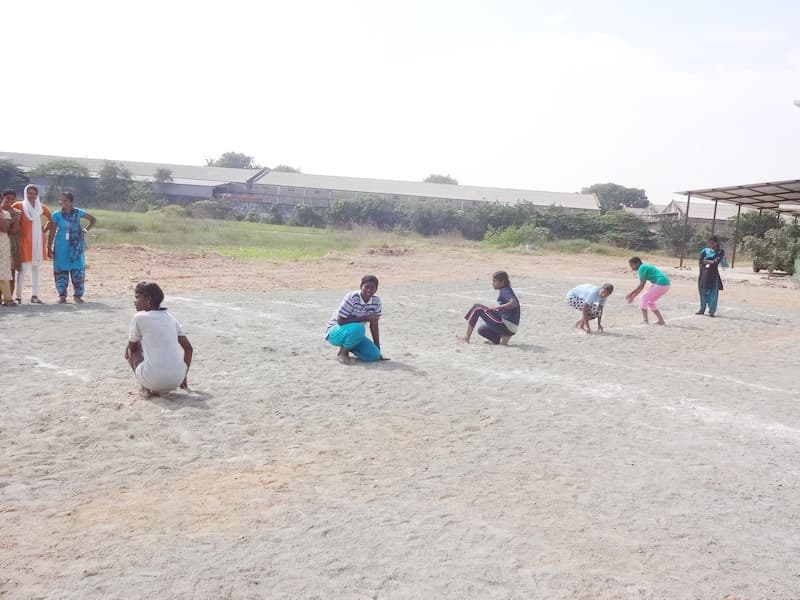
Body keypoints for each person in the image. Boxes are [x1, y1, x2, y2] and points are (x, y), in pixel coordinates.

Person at [125, 282, 193, 397]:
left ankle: (144, 386)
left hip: (153, 379)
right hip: (176, 380)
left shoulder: (139, 317)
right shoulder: (171, 318)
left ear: (148, 299)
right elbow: (189, 349)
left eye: (137, 297)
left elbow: (132, 348)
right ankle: (171, 379)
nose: (135, 301)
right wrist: (183, 376)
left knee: (129, 350)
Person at [47, 192, 97, 304]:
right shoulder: (57, 214)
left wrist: (85, 230)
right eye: (60, 200)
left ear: (70, 202)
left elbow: (93, 220)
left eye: (64, 200)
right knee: (61, 269)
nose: (61, 202)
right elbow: (52, 232)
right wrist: (48, 247)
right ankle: (62, 295)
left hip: (76, 246)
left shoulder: (78, 212)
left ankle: (78, 295)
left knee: (78, 269)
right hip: (61, 245)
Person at [325, 274, 383, 363]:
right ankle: (343, 353)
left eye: (372, 288)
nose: (369, 290)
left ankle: (348, 346)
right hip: (335, 332)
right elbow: (340, 321)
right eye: (366, 287)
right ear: (361, 286)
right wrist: (364, 318)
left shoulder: (376, 301)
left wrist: (378, 348)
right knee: (359, 328)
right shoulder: (352, 297)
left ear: (376, 289)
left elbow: (374, 324)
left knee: (374, 355)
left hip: (354, 333)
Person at [12, 184, 51, 304]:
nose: (32, 195)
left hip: (38, 242)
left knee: (35, 269)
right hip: (24, 241)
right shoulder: (19, 205)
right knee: (23, 270)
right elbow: (8, 212)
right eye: (30, 193)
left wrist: (44, 230)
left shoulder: (41, 207)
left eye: (34, 193)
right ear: (25, 193)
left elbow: (51, 218)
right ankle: (18, 296)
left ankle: (35, 295)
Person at [463, 271, 520, 344]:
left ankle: (466, 338)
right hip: (511, 328)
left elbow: (514, 303)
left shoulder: (505, 291)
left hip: (506, 326)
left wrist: (498, 307)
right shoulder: (507, 289)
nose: (493, 283)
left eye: (495, 281)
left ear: (502, 282)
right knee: (482, 330)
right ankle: (499, 339)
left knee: (477, 308)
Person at [625, 257, 670, 325]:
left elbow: (641, 285)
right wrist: (633, 296)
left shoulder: (641, 268)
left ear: (637, 263)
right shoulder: (644, 266)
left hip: (661, 283)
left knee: (643, 298)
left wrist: (631, 294)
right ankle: (661, 320)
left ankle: (645, 320)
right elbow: (641, 286)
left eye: (632, 265)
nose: (631, 268)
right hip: (666, 284)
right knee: (650, 301)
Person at [1, 190, 21, 300]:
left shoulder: (16, 212)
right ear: (3, 198)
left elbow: (13, 231)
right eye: (7, 198)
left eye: (12, 199)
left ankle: (8, 297)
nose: (9, 201)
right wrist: (11, 221)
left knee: (10, 271)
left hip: (11, 244)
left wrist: (13, 221)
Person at [697, 236, 725, 317]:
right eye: (710, 243)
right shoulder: (705, 251)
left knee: (713, 293)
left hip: (713, 274)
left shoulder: (720, 252)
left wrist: (706, 261)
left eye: (713, 243)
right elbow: (700, 261)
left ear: (716, 243)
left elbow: (716, 262)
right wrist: (709, 261)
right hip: (704, 274)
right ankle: (702, 309)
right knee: (702, 291)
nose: (711, 244)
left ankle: (712, 310)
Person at [0, 198, 16, 306]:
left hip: (2, 244)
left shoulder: (5, 213)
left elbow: (5, 228)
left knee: (3, 269)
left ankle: (8, 298)